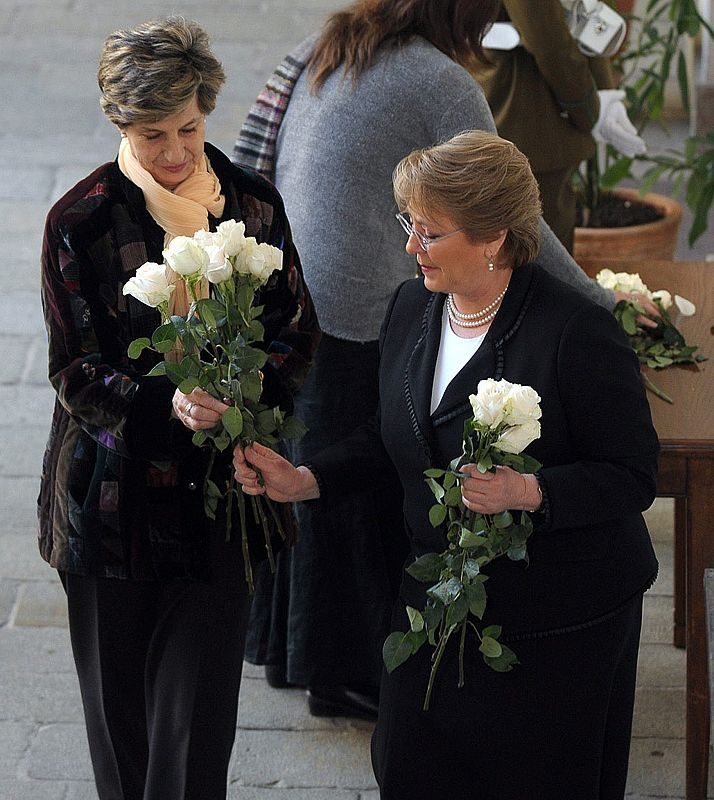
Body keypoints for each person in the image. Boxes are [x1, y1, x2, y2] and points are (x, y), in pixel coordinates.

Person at [233, 0, 654, 723]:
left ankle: (315, 662)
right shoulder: (439, 79)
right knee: (382, 482)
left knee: (347, 472)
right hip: (361, 307)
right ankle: (355, 672)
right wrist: (597, 302)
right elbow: (507, 215)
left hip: (297, 297)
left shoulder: (331, 46)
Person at [38, 17, 318, 800]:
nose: (174, 153)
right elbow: (77, 370)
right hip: (110, 511)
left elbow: (296, 329)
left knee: (197, 745)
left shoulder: (254, 207)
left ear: (207, 110)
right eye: (152, 134)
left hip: (218, 509)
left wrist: (244, 396)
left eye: (188, 128)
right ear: (120, 124)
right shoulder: (80, 222)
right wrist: (167, 408)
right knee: (123, 743)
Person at [470, 0, 646, 251]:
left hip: (529, 111)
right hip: (525, 110)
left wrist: (601, 93)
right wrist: (589, 108)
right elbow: (547, 37)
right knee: (532, 256)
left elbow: (582, 9)